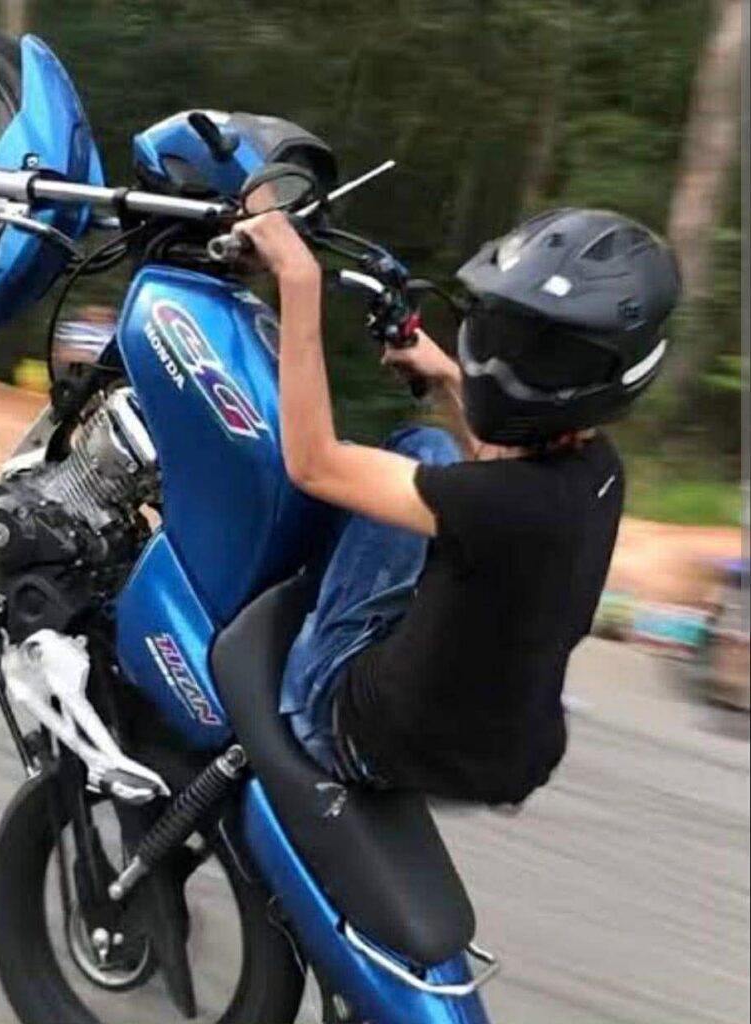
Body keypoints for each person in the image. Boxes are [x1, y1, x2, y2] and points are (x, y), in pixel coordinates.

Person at [233, 207, 680, 805]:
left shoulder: (493, 503)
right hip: (504, 755)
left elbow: (314, 463)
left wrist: (297, 277)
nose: (502, 365)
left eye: (541, 355)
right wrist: (444, 371)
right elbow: (504, 460)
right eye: (507, 337)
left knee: (424, 449)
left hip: (351, 729)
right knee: (439, 464)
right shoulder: (597, 472)